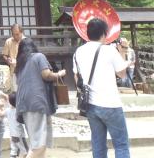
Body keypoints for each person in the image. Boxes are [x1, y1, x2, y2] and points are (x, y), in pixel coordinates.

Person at [73, 18, 131, 158]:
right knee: (121, 144)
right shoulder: (109, 50)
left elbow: (76, 77)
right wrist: (123, 52)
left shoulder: (78, 52)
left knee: (98, 144)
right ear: (104, 33)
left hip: (90, 105)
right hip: (111, 104)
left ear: (87, 33)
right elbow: (122, 74)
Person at [15, 38, 65, 158]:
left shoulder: (20, 63)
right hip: (36, 101)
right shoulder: (38, 57)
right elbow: (46, 75)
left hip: (23, 103)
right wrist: (59, 74)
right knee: (39, 144)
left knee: (36, 141)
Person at [2, 24, 25, 90]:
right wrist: (7, 60)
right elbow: (4, 55)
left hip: (25, 71)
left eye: (17, 34)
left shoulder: (26, 41)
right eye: (13, 34)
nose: (15, 36)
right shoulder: (8, 41)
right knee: (15, 91)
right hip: (13, 70)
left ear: (21, 32)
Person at [6, 92, 28, 158]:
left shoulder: (7, 110)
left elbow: (1, 113)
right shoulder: (18, 111)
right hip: (19, 135)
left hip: (12, 135)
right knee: (26, 152)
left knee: (14, 151)